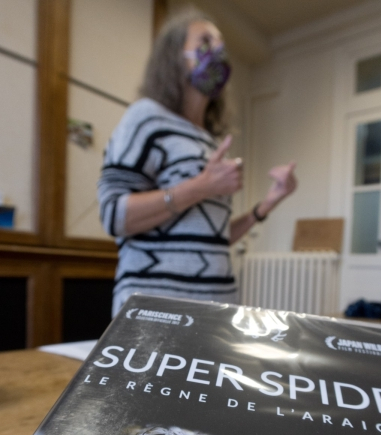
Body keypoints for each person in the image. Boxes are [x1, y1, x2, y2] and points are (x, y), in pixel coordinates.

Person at [98, 12, 297, 317]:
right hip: (154, 308)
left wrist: (267, 205)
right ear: (173, 57)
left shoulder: (208, 140)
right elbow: (114, 215)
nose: (217, 51)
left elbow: (212, 239)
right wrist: (202, 186)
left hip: (215, 307)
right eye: (205, 42)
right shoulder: (145, 117)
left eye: (220, 45)